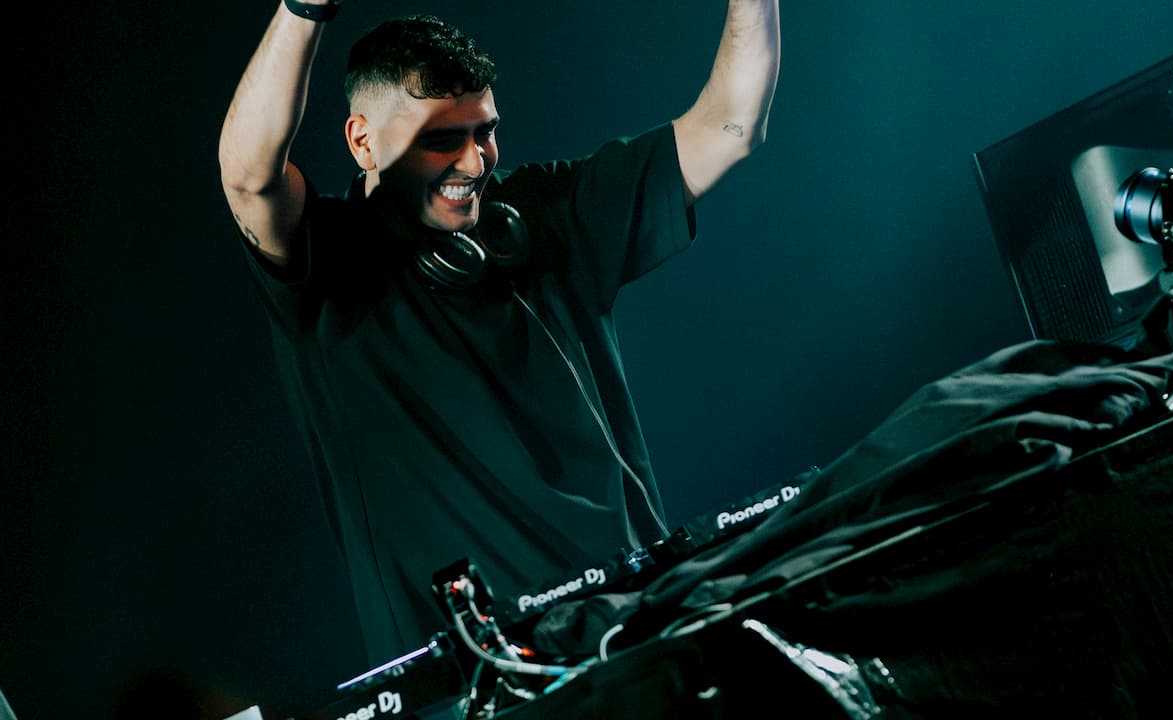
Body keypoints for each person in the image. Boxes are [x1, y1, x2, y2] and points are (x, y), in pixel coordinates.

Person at [218, 0, 781, 672]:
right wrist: (304, 7)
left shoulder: (545, 213)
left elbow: (732, 123)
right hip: (491, 678)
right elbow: (249, 178)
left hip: (638, 627)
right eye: (441, 140)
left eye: (484, 132)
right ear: (363, 142)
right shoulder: (329, 266)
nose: (473, 160)